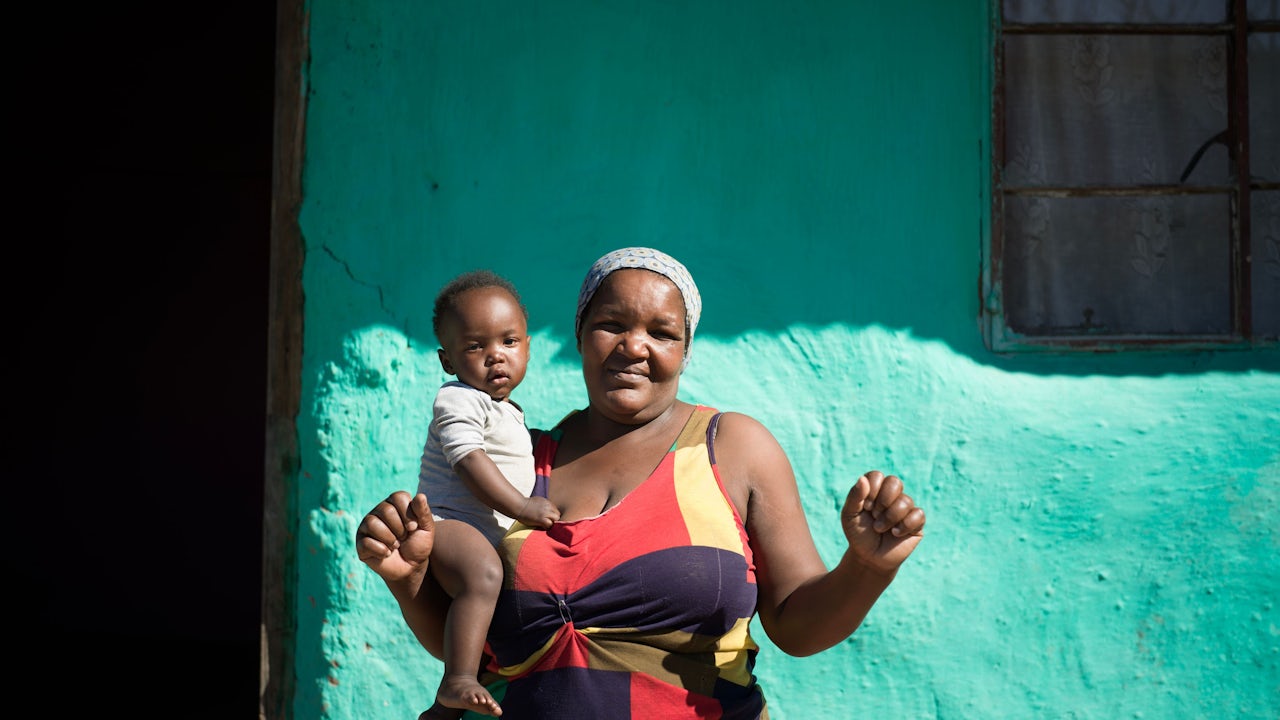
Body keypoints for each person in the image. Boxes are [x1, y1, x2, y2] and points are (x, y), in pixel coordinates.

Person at [356, 247, 927, 720]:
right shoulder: (518, 464)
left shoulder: (732, 449)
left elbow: (798, 628)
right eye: (611, 325)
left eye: (662, 332)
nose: (634, 346)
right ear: (577, 335)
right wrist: (408, 582)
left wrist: (868, 567)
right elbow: (485, 654)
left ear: (685, 351)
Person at [412, 269, 560, 717]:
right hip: (450, 525)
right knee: (484, 578)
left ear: (528, 347)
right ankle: (457, 680)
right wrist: (521, 506)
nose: (496, 356)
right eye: (476, 347)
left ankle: (445, 710)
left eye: (508, 342)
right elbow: (470, 460)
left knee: (491, 611)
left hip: (483, 534)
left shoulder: (507, 411)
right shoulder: (457, 399)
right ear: (448, 360)